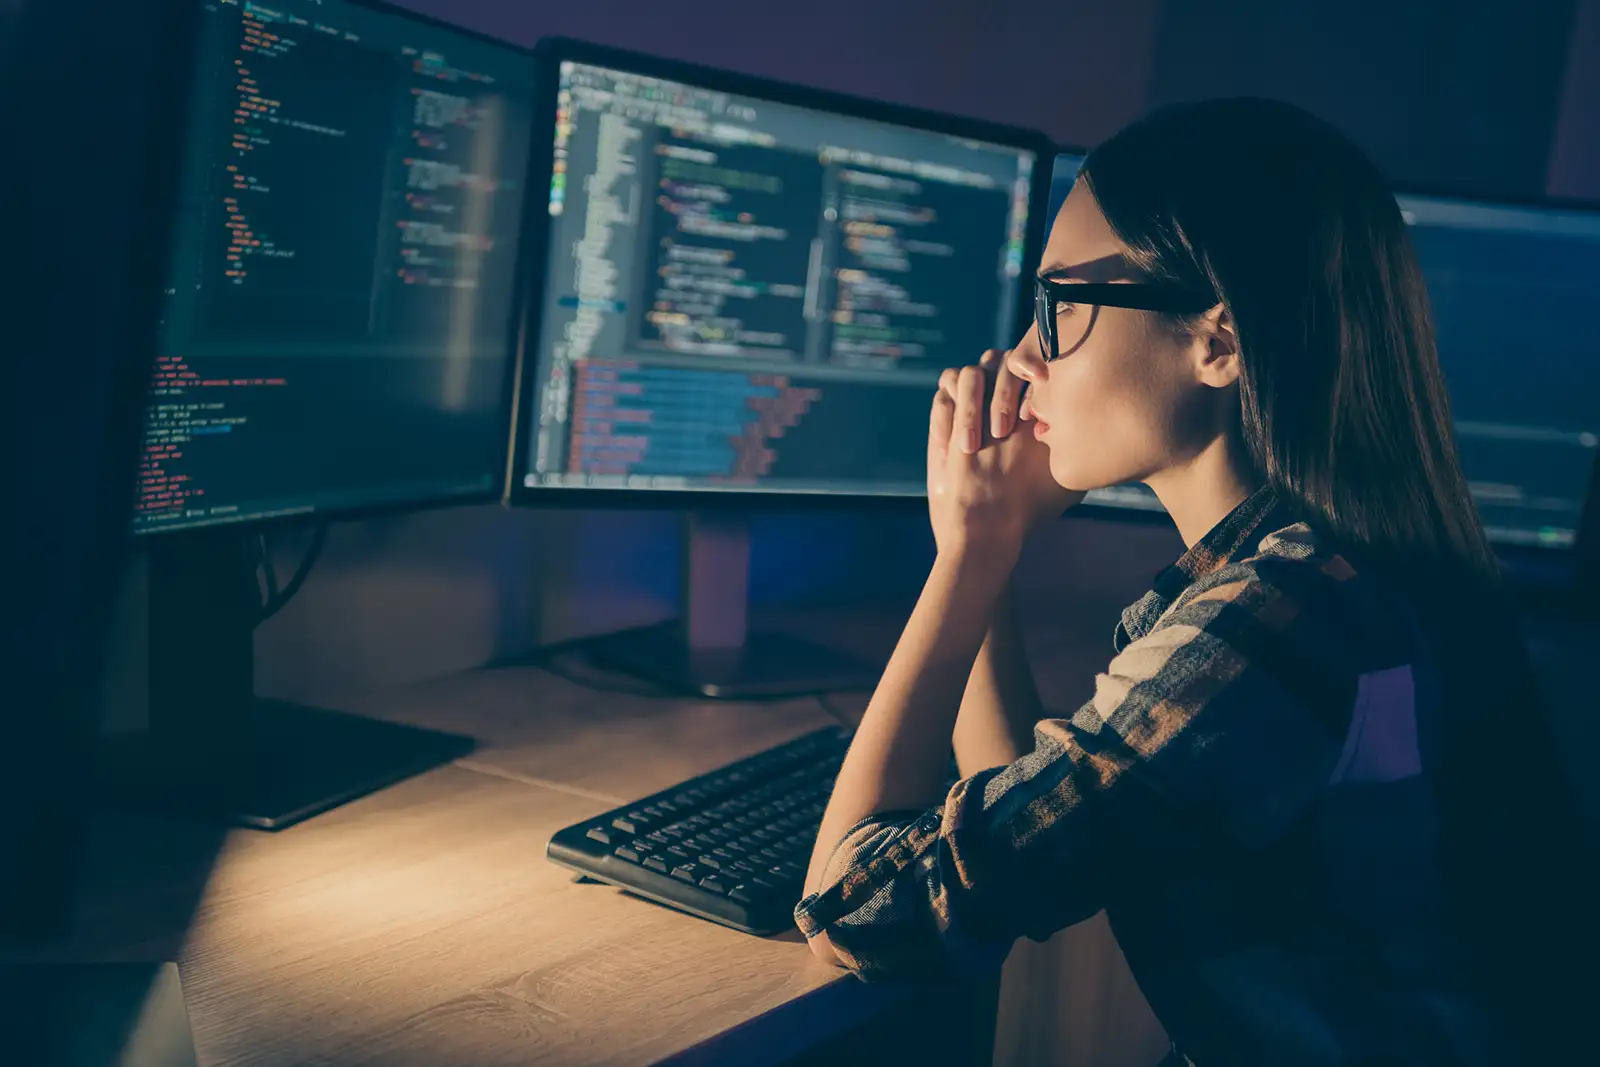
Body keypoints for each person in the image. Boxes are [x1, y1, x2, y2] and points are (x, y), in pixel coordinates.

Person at [797, 98, 1593, 1066]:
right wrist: (988, 545)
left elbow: (864, 915)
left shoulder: (1265, 625)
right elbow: (1041, 820)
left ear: (1219, 340)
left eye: (1061, 305)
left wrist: (963, 554)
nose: (1020, 359)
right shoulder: (1336, 574)